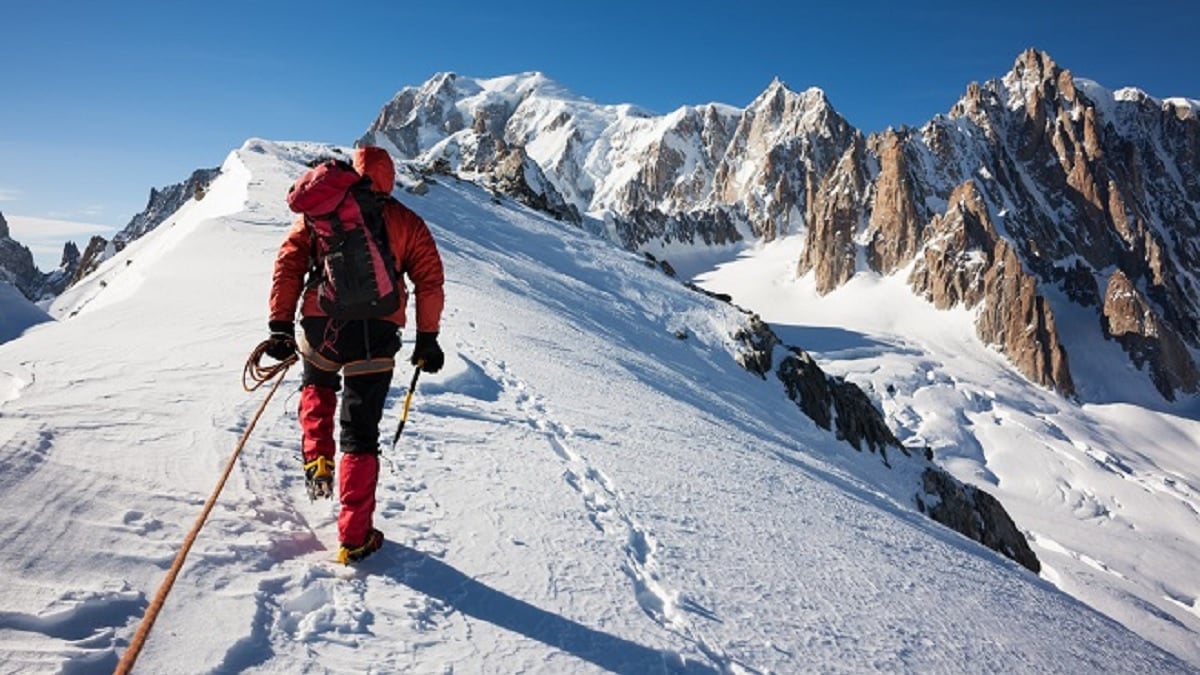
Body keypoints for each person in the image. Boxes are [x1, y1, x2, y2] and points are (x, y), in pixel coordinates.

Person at [265, 145, 445, 564]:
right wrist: (427, 338)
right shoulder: (407, 221)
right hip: (378, 335)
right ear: (389, 177)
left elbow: (289, 264)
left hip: (322, 325)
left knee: (317, 387)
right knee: (361, 433)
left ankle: (318, 459)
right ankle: (354, 538)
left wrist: (279, 324)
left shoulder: (322, 213)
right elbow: (429, 281)